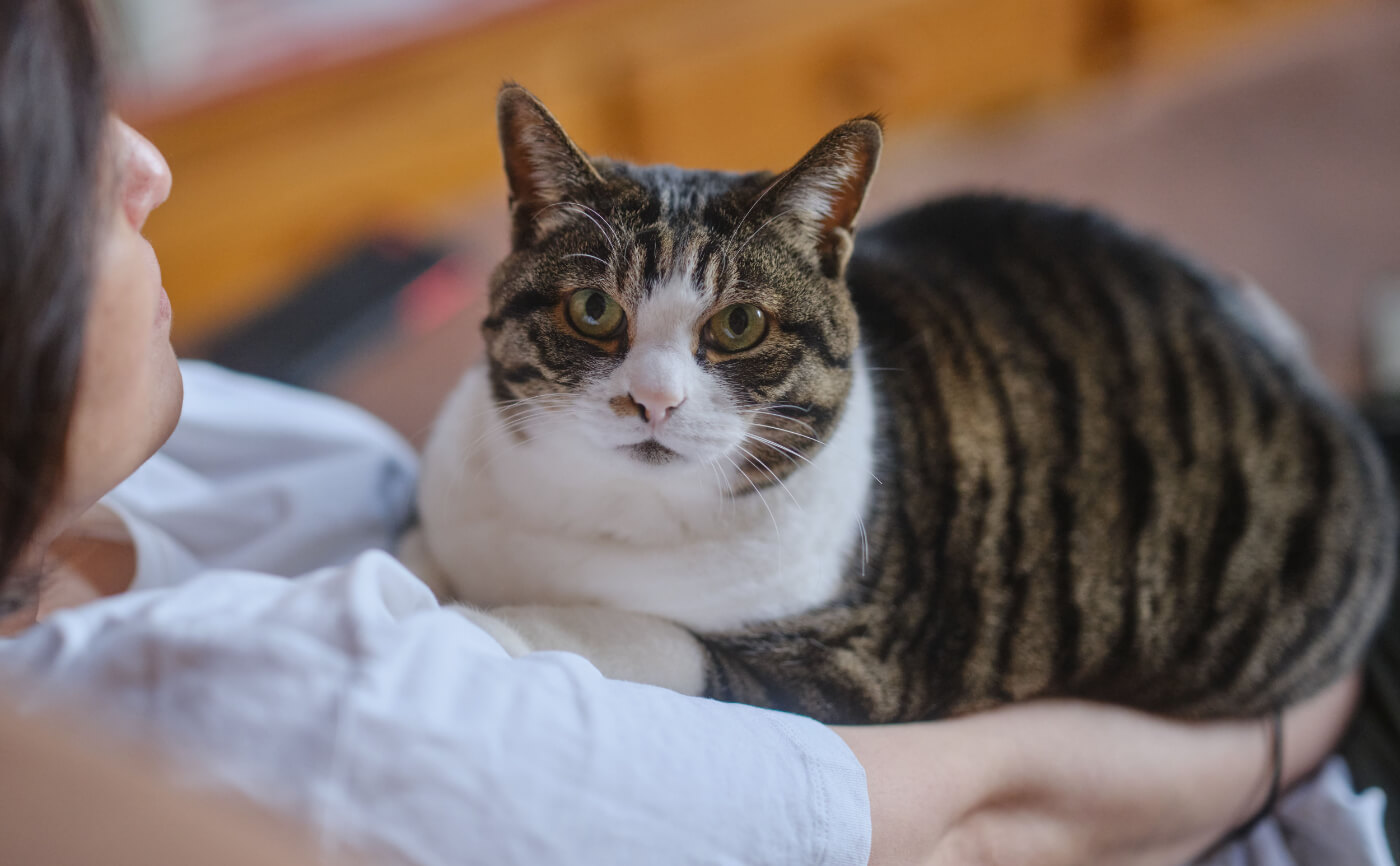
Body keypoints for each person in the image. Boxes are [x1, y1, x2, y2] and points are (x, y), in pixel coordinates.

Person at [0, 1, 1385, 864]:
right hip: (1289, 693)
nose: (150, 163)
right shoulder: (315, 715)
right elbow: (978, 817)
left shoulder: (130, 437)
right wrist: (1298, 718)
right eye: (73, 149)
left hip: (1235, 446)